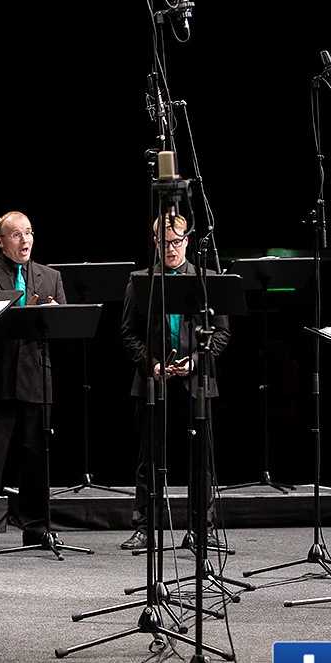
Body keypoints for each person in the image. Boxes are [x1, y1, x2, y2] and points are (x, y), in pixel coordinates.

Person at [117, 214, 229, 550]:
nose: (171, 248)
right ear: (154, 242)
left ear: (187, 241)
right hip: (154, 382)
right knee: (149, 459)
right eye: (165, 243)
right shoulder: (140, 281)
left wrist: (195, 361)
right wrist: (152, 365)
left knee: (201, 460)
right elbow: (128, 333)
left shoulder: (207, 279)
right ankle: (144, 528)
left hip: (196, 383)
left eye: (177, 241)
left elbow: (222, 332)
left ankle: (202, 529)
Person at [0, 211, 65, 552]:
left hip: (37, 379)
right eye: (17, 234)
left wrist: (51, 316)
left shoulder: (49, 277)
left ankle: (36, 526)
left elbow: (64, 328)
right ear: (0, 240)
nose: (25, 241)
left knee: (38, 455)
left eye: (29, 233)